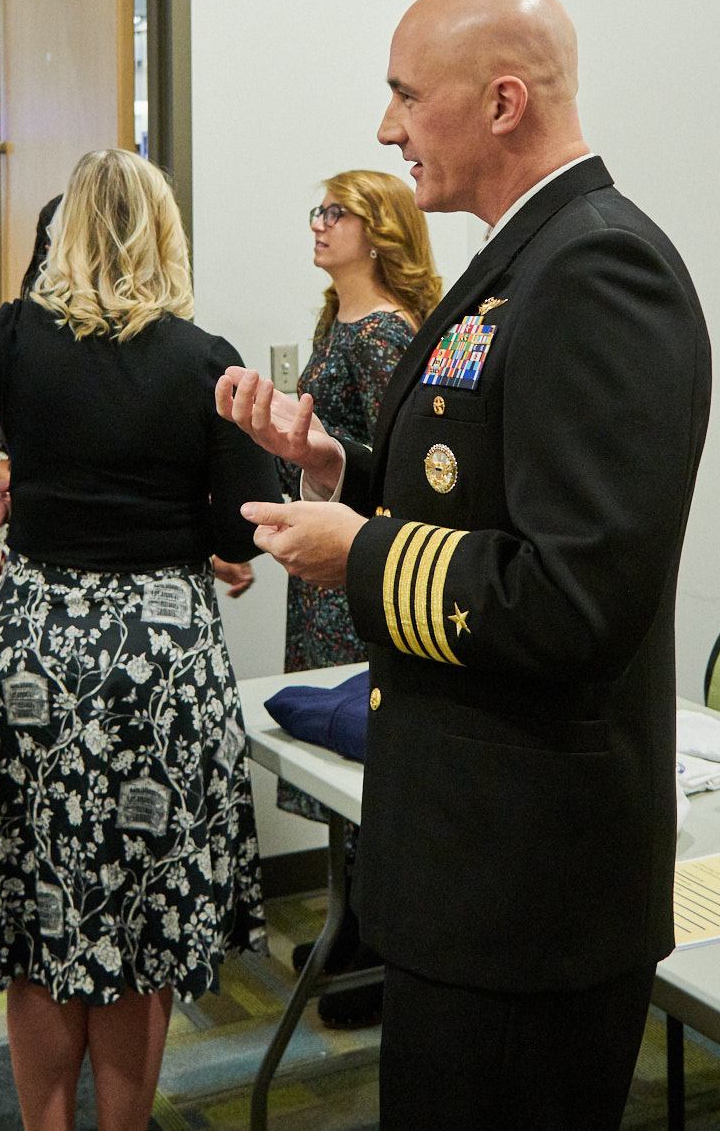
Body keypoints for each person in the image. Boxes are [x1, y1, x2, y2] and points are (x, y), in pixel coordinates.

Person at [218, 0, 712, 1128]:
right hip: (472, 861)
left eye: (404, 96)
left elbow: (574, 593)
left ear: (499, 103)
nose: (385, 128)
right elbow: (476, 489)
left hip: (528, 882)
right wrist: (343, 472)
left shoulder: (596, 269)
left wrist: (363, 555)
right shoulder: (523, 256)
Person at [0, 149, 277, 1131]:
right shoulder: (205, 358)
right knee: (138, 922)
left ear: (62, 231)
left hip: (35, 646)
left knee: (40, 912)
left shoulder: (9, 337)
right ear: (165, 233)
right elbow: (239, 528)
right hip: (158, 657)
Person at [276, 169, 443, 1027]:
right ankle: (352, 923)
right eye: (320, 210)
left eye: (336, 212)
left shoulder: (385, 332)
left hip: (360, 565)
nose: (320, 223)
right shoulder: (337, 318)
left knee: (368, 761)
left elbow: (397, 467)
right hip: (327, 564)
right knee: (336, 763)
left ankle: (377, 941)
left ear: (379, 231)